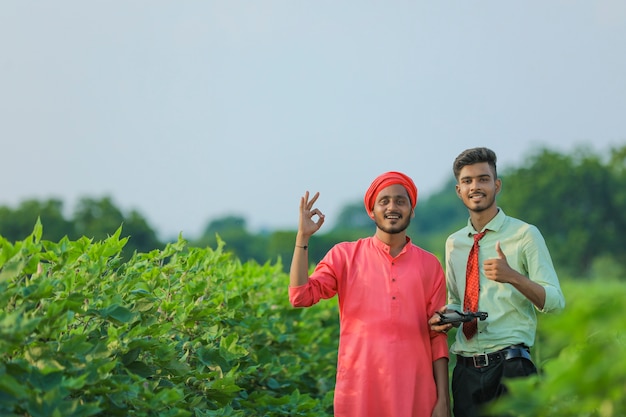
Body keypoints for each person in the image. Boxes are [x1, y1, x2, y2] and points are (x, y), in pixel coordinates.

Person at [289, 172, 451, 417]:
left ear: (412, 209)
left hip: (416, 394)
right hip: (358, 392)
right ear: (371, 211)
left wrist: (443, 400)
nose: (392, 207)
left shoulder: (430, 265)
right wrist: (302, 237)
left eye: (400, 201)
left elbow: (437, 338)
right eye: (384, 201)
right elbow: (300, 296)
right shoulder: (344, 256)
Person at [429, 147, 565, 417]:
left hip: (512, 368)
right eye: (467, 181)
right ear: (458, 190)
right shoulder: (454, 243)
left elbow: (556, 302)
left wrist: (512, 276)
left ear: (496, 185)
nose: (475, 187)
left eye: (483, 179)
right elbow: (458, 298)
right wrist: (445, 316)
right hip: (466, 371)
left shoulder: (525, 234)